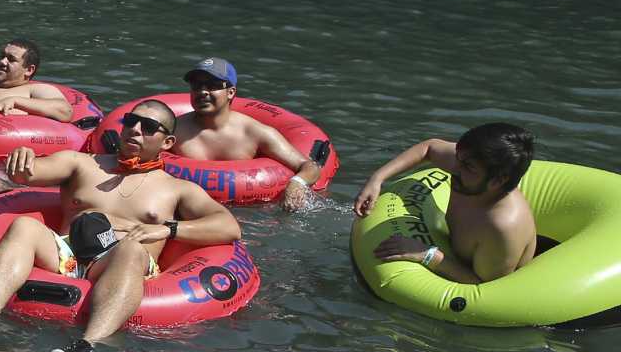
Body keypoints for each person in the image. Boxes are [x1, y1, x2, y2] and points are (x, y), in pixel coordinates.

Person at [0, 99, 242, 352]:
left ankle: (86, 344)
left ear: (167, 142)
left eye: (149, 127)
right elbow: (28, 174)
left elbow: (228, 227)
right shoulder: (83, 163)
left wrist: (168, 228)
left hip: (119, 263)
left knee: (131, 249)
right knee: (24, 226)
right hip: (66, 254)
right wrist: (23, 158)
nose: (136, 130)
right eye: (132, 121)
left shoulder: (178, 189)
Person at [354, 123, 537, 282]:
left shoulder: (501, 228)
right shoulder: (468, 168)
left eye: (468, 167)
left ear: (498, 181)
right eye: (458, 159)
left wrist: (429, 255)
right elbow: (429, 148)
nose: (454, 168)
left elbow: (485, 289)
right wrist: (377, 178)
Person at [170, 58, 324, 211]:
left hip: (248, 214)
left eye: (212, 85)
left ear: (230, 92)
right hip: (188, 209)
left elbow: (309, 167)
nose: (202, 92)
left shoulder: (255, 133)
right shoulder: (174, 129)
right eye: (197, 85)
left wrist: (297, 183)